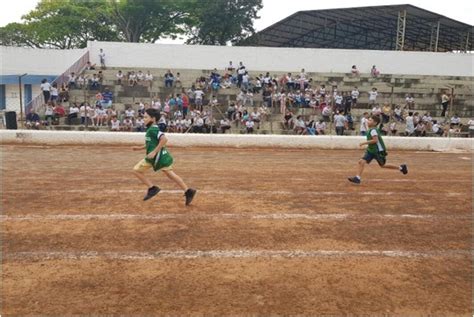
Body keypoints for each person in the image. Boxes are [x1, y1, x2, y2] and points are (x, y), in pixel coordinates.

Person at [132, 108, 196, 204]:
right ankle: (188, 191)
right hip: (161, 156)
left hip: (157, 158)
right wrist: (140, 148)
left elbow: (164, 139)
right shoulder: (151, 129)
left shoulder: (153, 129)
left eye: (146, 117)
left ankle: (152, 188)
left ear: (153, 119)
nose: (143, 119)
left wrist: (154, 152)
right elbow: (151, 143)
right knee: (170, 174)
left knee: (136, 170)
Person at [348, 115, 408, 184]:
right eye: (368, 120)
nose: (368, 121)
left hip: (377, 151)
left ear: (375, 123)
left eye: (370, 120)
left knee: (383, 165)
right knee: (361, 162)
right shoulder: (371, 129)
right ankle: (357, 178)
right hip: (371, 150)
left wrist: (363, 143)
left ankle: (401, 168)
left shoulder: (373, 130)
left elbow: (375, 140)